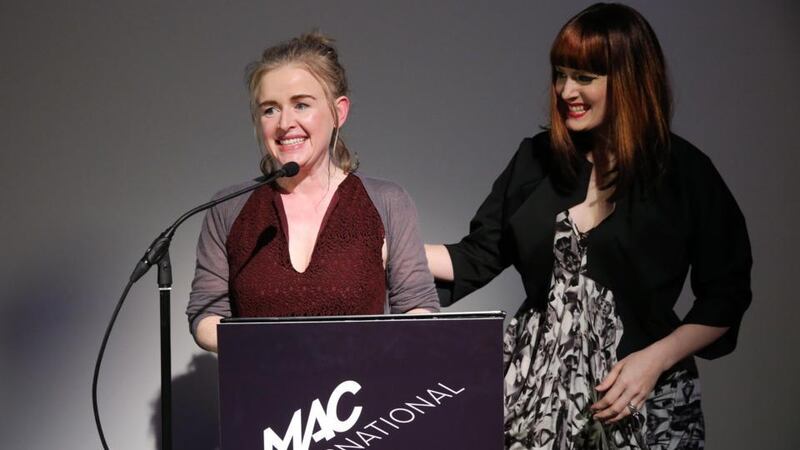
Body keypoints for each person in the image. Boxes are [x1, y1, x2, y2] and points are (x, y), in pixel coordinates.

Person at [425, 3, 751, 449]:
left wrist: (655, 360)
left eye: (584, 77)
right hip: (534, 406)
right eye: (560, 74)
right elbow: (475, 257)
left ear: (630, 79)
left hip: (644, 404)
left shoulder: (684, 173)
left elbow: (726, 296)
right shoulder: (536, 160)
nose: (565, 91)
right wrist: (379, 243)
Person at [186, 32, 439, 353]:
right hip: (262, 395)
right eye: (269, 110)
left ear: (339, 112)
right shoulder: (229, 208)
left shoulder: (387, 201)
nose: (284, 123)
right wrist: (274, 347)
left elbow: (418, 305)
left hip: (361, 395)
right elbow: (206, 313)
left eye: (301, 105)